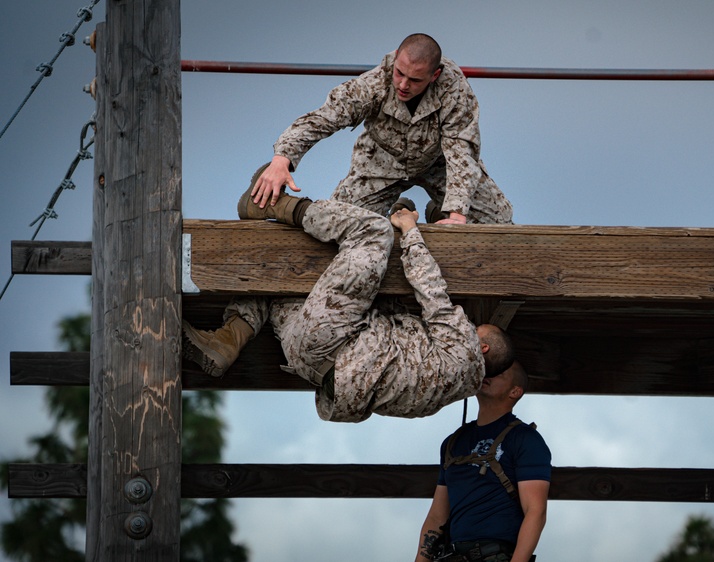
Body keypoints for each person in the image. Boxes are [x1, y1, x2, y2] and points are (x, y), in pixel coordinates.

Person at [182, 201, 515, 422]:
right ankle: (230, 338)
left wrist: (409, 229)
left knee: (374, 232)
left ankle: (276, 203)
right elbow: (394, 332)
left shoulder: (464, 348)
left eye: (476, 329)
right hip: (310, 362)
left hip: (332, 341)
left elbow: (431, 290)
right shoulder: (439, 397)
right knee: (283, 283)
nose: (469, 325)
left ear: (481, 347)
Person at [248, 32, 513, 226]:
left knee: (497, 222)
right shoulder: (375, 83)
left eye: (415, 79)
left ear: (434, 76)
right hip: (381, 162)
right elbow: (325, 117)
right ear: (396, 59)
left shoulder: (454, 90)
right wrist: (283, 159)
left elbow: (461, 149)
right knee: (340, 225)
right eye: (400, 73)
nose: (403, 85)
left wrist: (456, 214)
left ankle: (438, 210)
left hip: (439, 163)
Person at [415, 361, 551, 562]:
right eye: (488, 370)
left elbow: (535, 511)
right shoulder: (453, 442)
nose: (488, 374)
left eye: (499, 373)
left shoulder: (525, 439)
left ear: (515, 391)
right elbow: (437, 515)